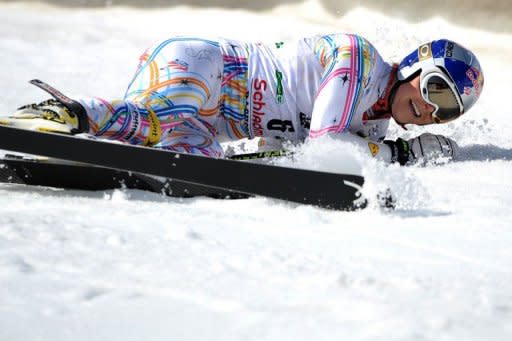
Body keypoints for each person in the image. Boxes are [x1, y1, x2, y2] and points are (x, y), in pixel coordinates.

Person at [0, 34, 484, 165]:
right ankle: (63, 115)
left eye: (447, 111)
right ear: (415, 69)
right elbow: (324, 139)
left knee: (188, 160)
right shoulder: (359, 60)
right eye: (435, 90)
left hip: (214, 127)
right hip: (205, 68)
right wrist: (396, 157)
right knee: (155, 118)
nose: (430, 111)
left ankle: (83, 152)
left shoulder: (373, 129)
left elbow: (299, 157)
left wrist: (386, 151)